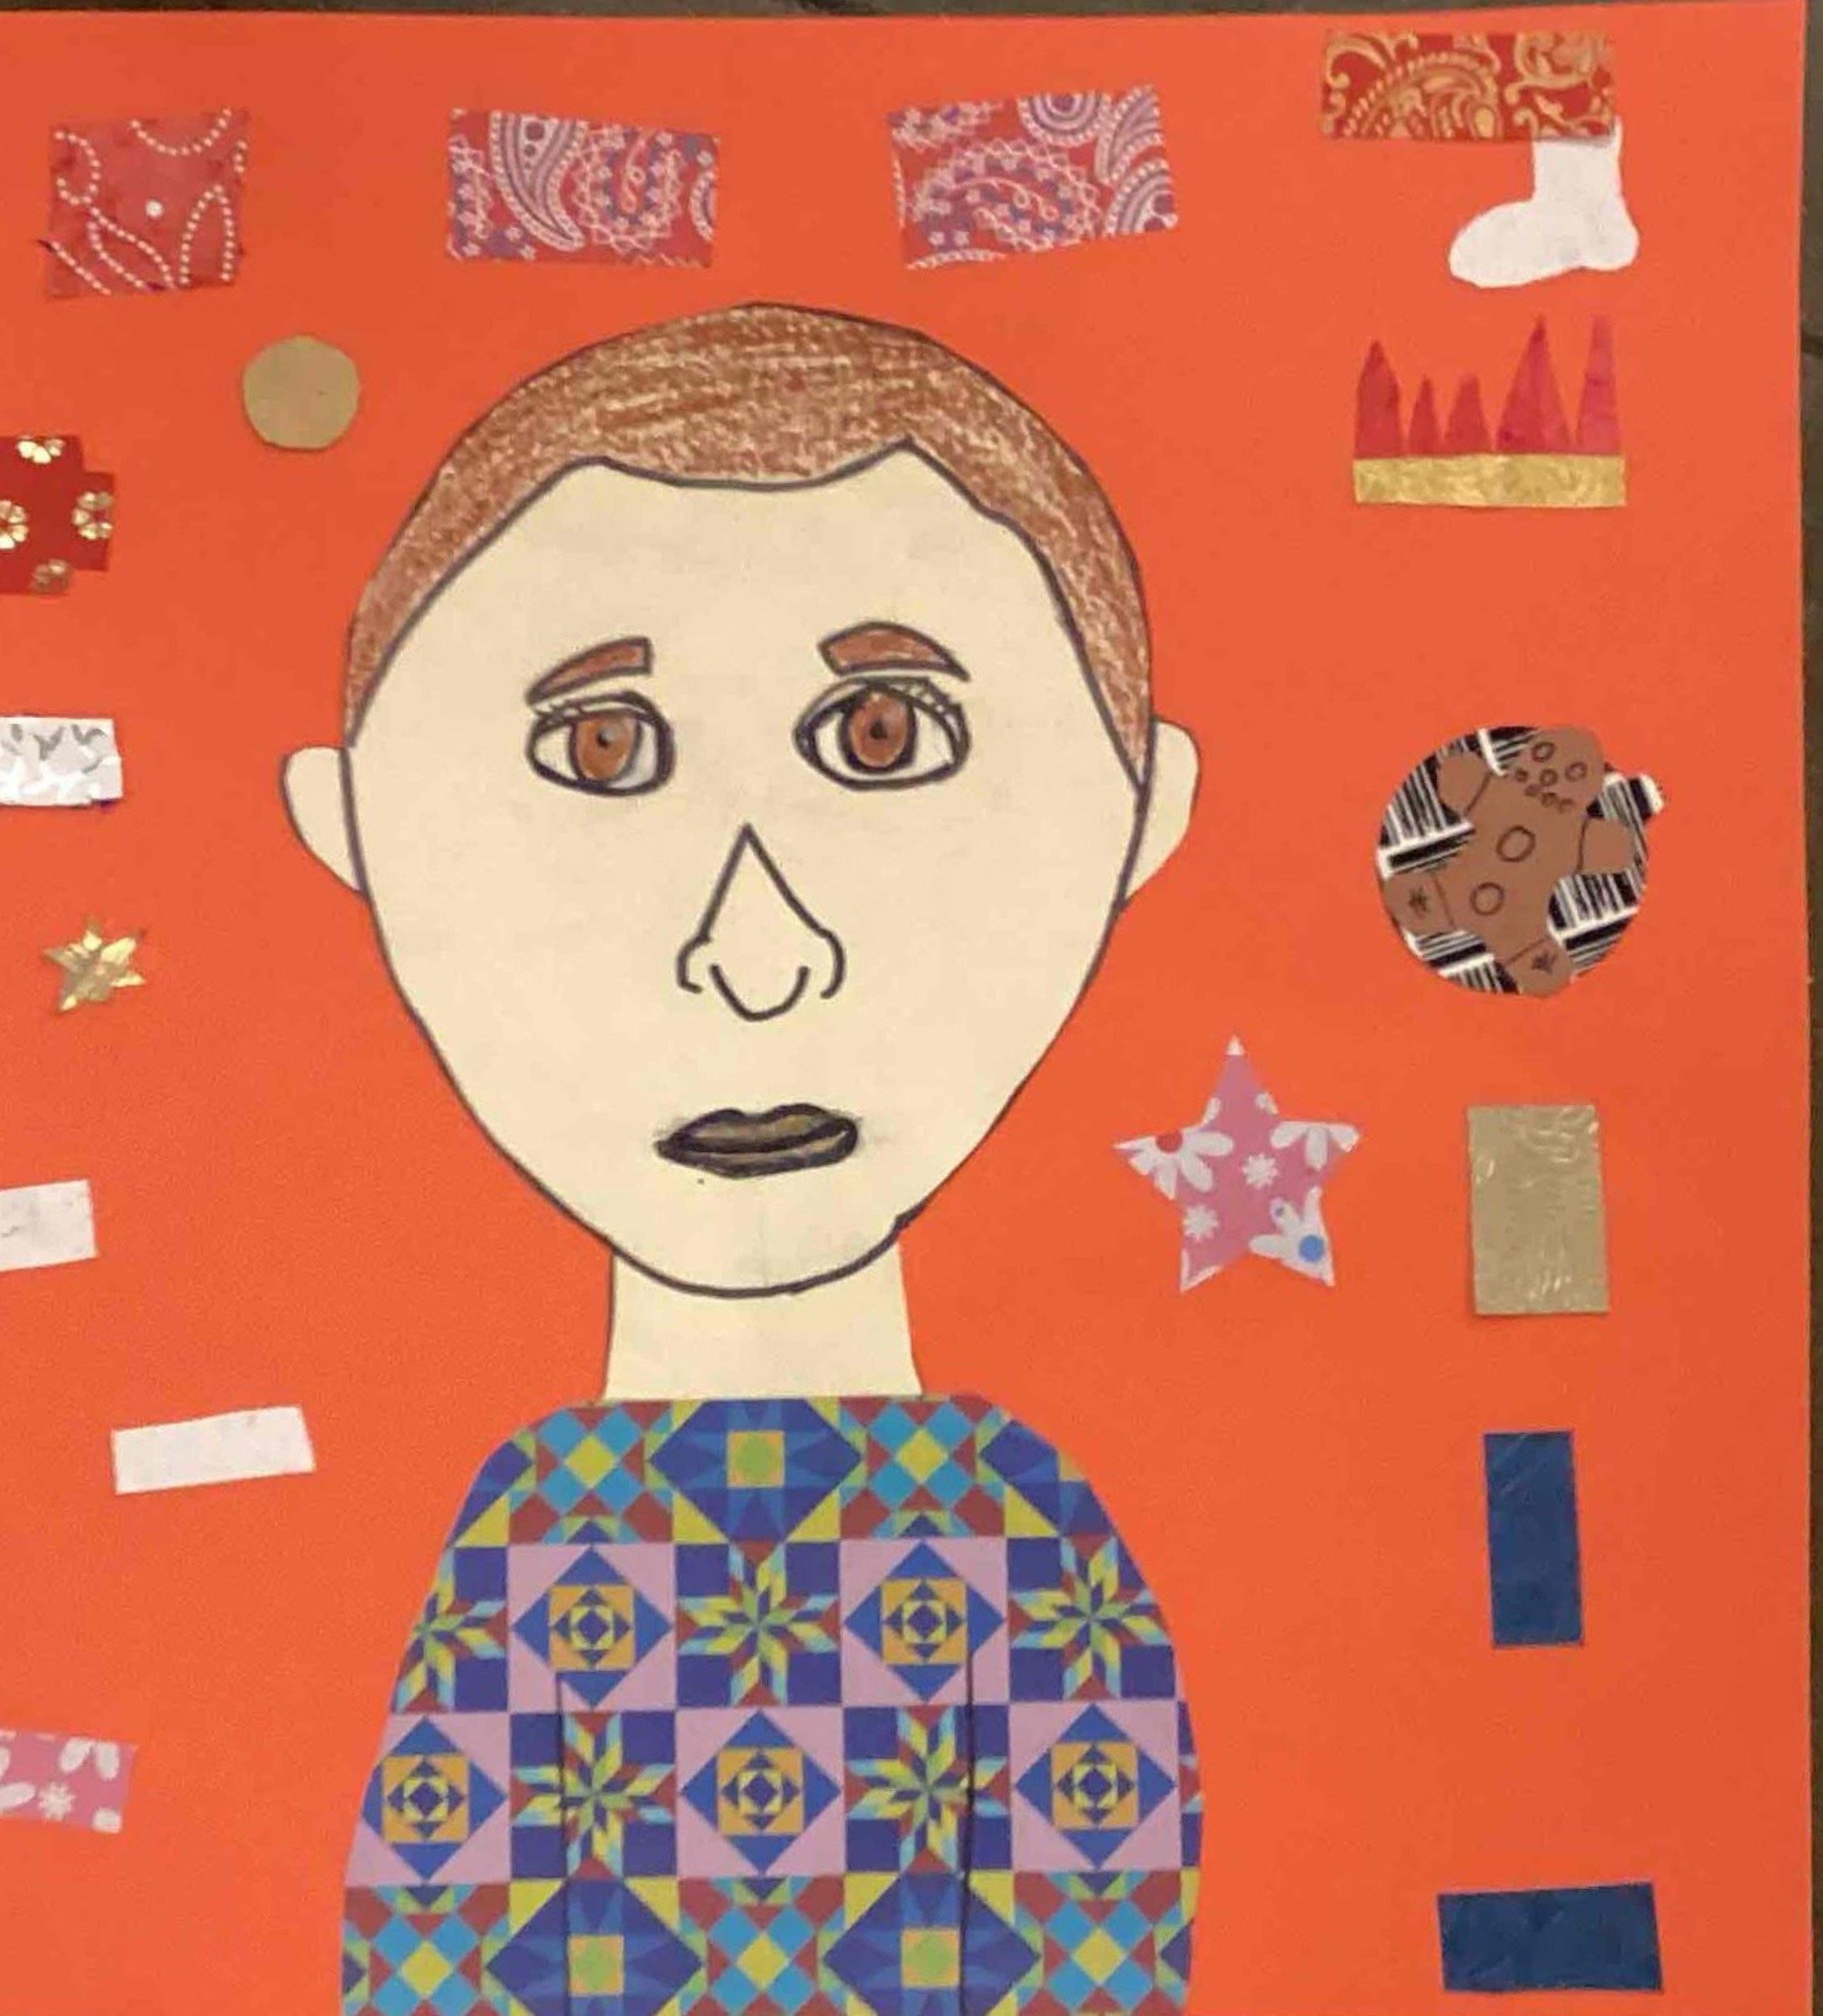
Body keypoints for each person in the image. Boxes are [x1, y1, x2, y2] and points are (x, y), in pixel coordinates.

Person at [284, 302, 1204, 2016]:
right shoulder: (526, 1529)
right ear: (347, 827)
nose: (756, 953)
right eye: (602, 749)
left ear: (1141, 808)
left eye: (881, 736)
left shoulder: (1013, 1540)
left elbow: (1096, 1955)